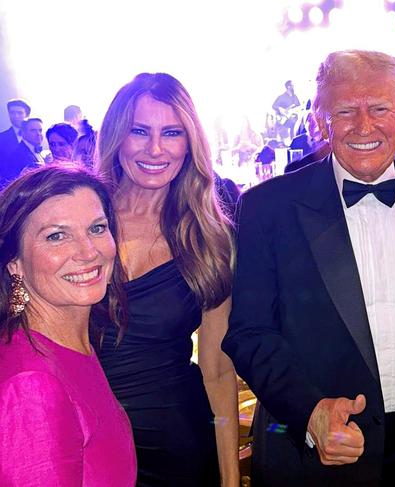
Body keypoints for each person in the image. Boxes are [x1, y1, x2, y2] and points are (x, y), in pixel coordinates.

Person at [222, 50, 395, 487]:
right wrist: (310, 411)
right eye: (344, 111)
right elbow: (249, 333)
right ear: (320, 120)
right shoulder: (268, 208)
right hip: (311, 461)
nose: (363, 126)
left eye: (379, 108)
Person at [95, 72, 239, 486]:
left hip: (178, 443)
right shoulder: (79, 219)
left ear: (189, 142)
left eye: (172, 133)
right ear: (117, 137)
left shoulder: (211, 238)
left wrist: (229, 479)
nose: (155, 149)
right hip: (82, 432)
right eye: (139, 131)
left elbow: (217, 370)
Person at [0, 165, 136, 485]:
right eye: (57, 236)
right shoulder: (32, 385)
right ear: (14, 263)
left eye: (97, 228)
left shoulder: (71, 343)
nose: (89, 252)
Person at [0, 99, 30, 165]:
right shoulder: (1, 138)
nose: (16, 116)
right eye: (12, 113)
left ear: (27, 115)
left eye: (20, 113)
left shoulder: (36, 134)